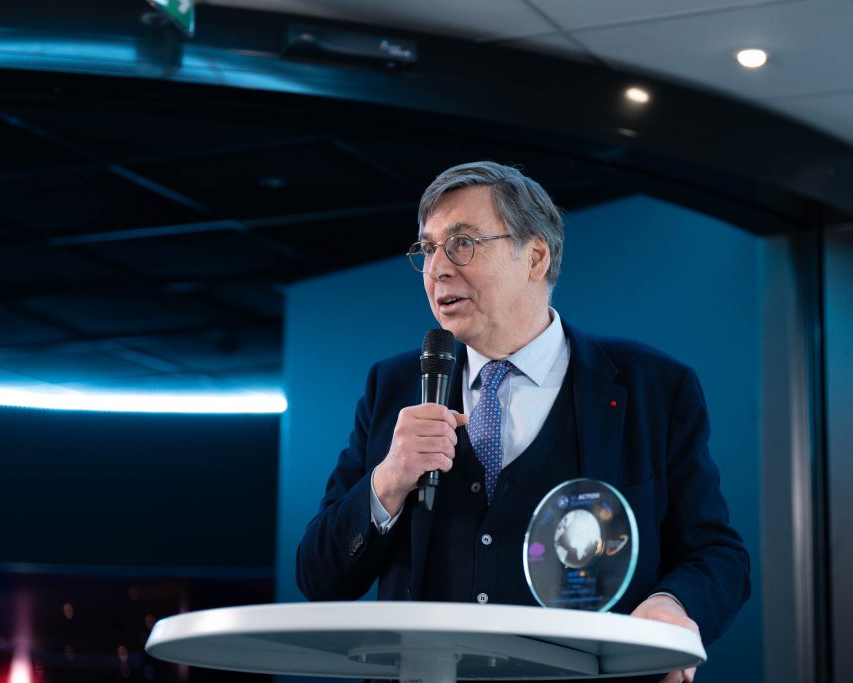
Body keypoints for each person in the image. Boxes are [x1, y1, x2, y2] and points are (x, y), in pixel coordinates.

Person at [297, 162, 750, 683]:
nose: (437, 268)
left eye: (462, 243)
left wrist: (673, 604)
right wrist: (388, 482)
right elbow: (318, 576)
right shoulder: (393, 386)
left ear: (535, 257)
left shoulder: (654, 387)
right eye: (427, 248)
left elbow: (717, 553)